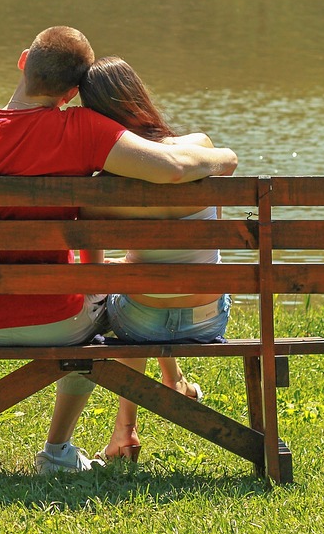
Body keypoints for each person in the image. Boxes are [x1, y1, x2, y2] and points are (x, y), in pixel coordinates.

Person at [0, 27, 237, 473]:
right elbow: (173, 168)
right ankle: (57, 450)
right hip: (61, 322)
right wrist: (223, 159)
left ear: (24, 60)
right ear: (70, 93)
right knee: (97, 315)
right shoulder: (83, 128)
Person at [77, 55, 233, 462]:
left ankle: (125, 432)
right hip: (208, 312)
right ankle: (175, 383)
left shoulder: (103, 187)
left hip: (141, 319)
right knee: (159, 284)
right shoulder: (198, 146)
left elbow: (93, 276)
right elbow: (227, 162)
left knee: (136, 302)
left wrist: (126, 271)